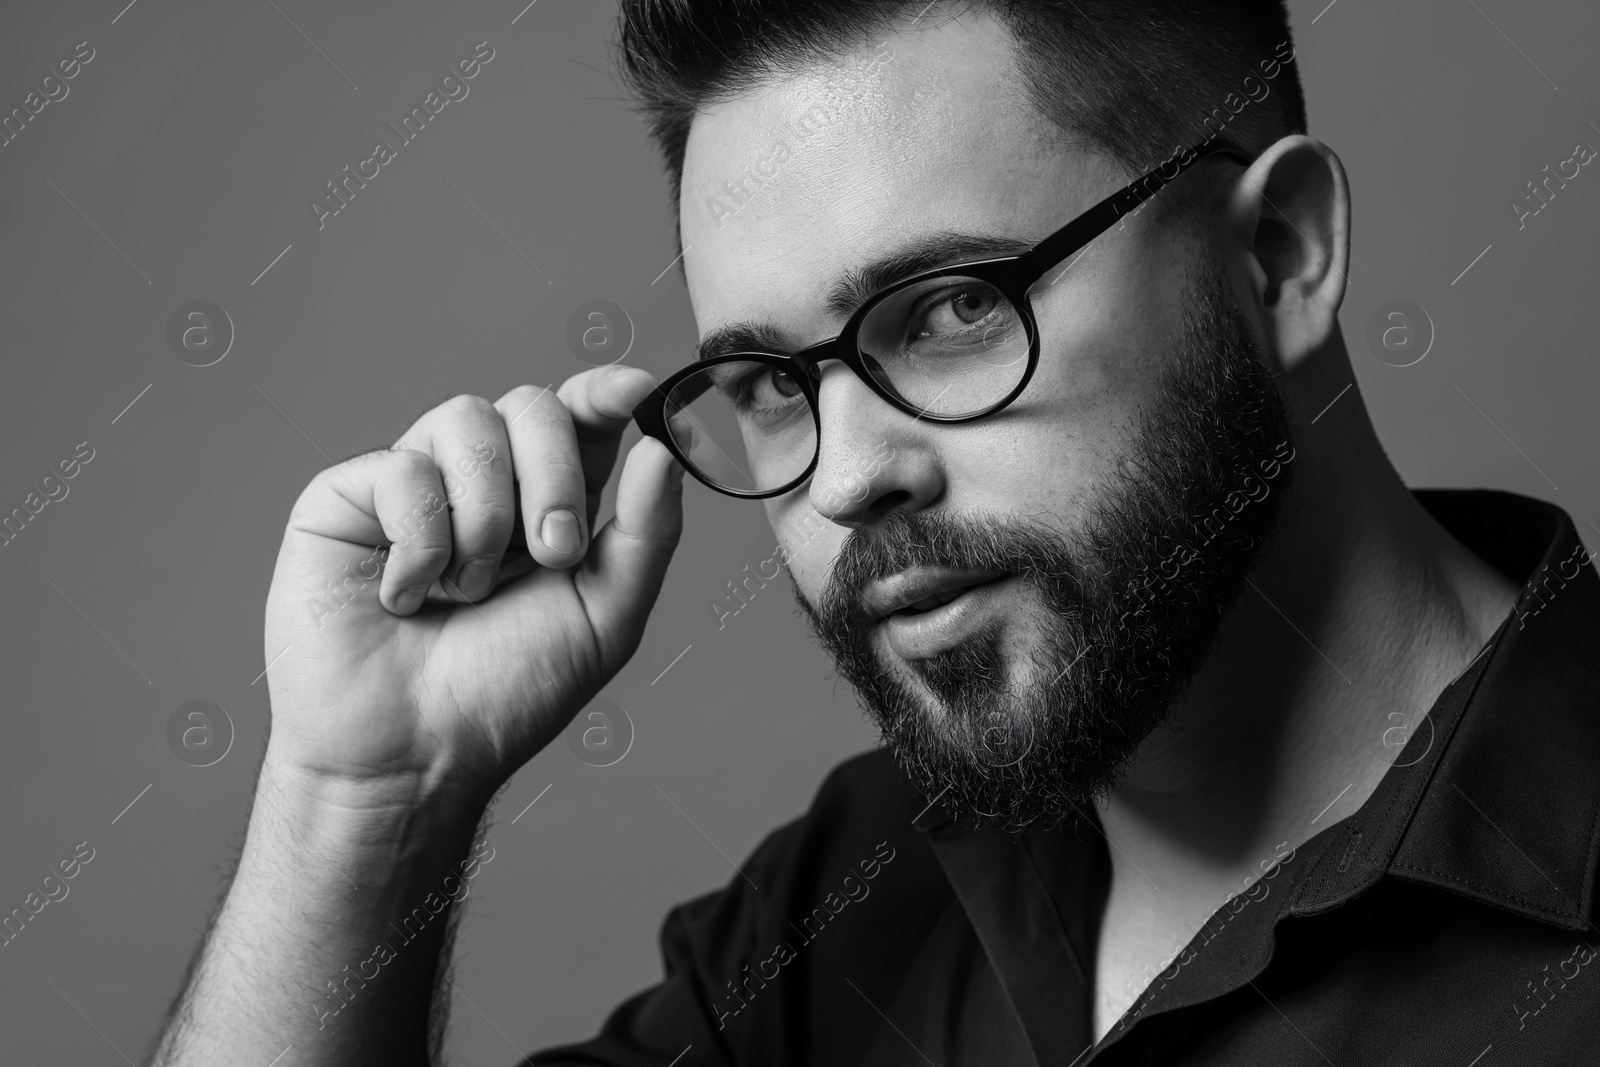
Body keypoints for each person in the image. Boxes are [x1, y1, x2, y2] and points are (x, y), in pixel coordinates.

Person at [150, 1, 1600, 1064]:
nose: (845, 478)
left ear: (1279, 255)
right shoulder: (848, 905)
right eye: (776, 385)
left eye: (958, 309)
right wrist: (366, 805)